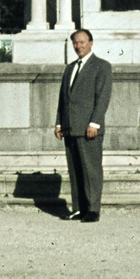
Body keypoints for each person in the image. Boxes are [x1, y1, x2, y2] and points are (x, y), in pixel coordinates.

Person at [54, 28, 112, 223]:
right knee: (75, 169)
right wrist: (59, 124)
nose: (78, 46)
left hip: (89, 127)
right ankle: (79, 208)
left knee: (91, 169)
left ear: (91, 43)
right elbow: (64, 99)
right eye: (75, 43)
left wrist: (94, 123)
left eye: (82, 42)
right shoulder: (69, 68)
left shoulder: (101, 66)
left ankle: (93, 209)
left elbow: (102, 97)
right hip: (70, 127)